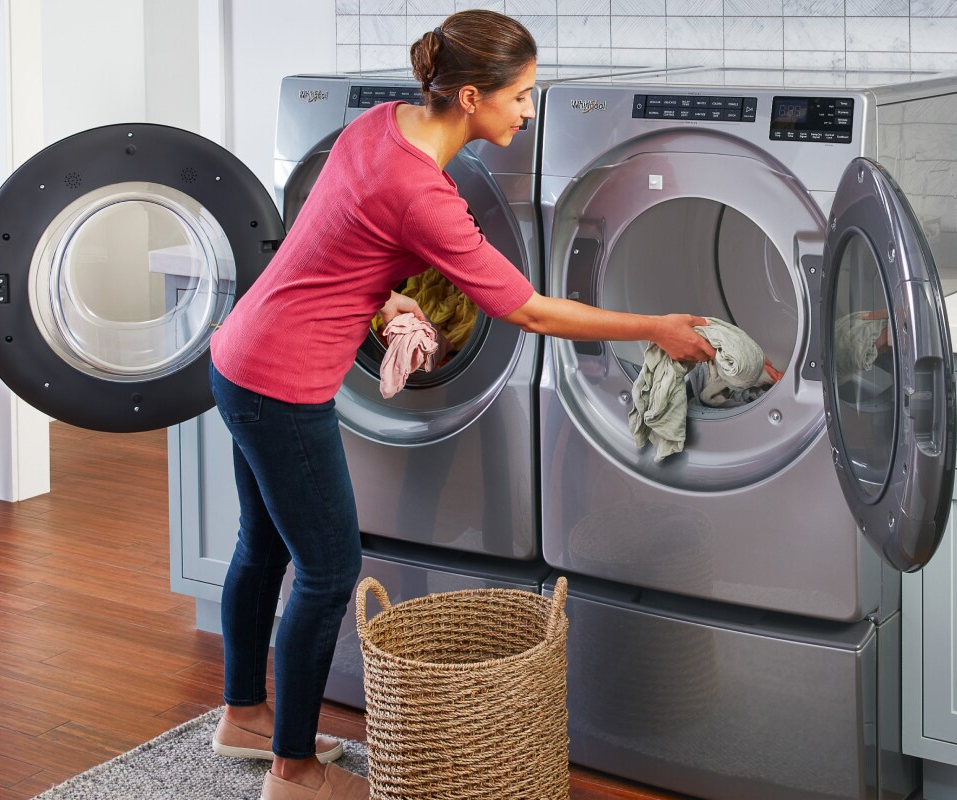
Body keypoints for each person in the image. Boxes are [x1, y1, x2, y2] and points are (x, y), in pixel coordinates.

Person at [204, 10, 715, 800]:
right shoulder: (422, 194)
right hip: (284, 385)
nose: (529, 111)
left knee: (262, 548)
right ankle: (293, 773)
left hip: (239, 357)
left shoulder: (377, 126)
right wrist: (656, 326)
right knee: (328, 571)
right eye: (521, 96)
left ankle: (243, 717)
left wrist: (387, 304)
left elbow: (328, 244)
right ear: (471, 97)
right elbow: (531, 312)